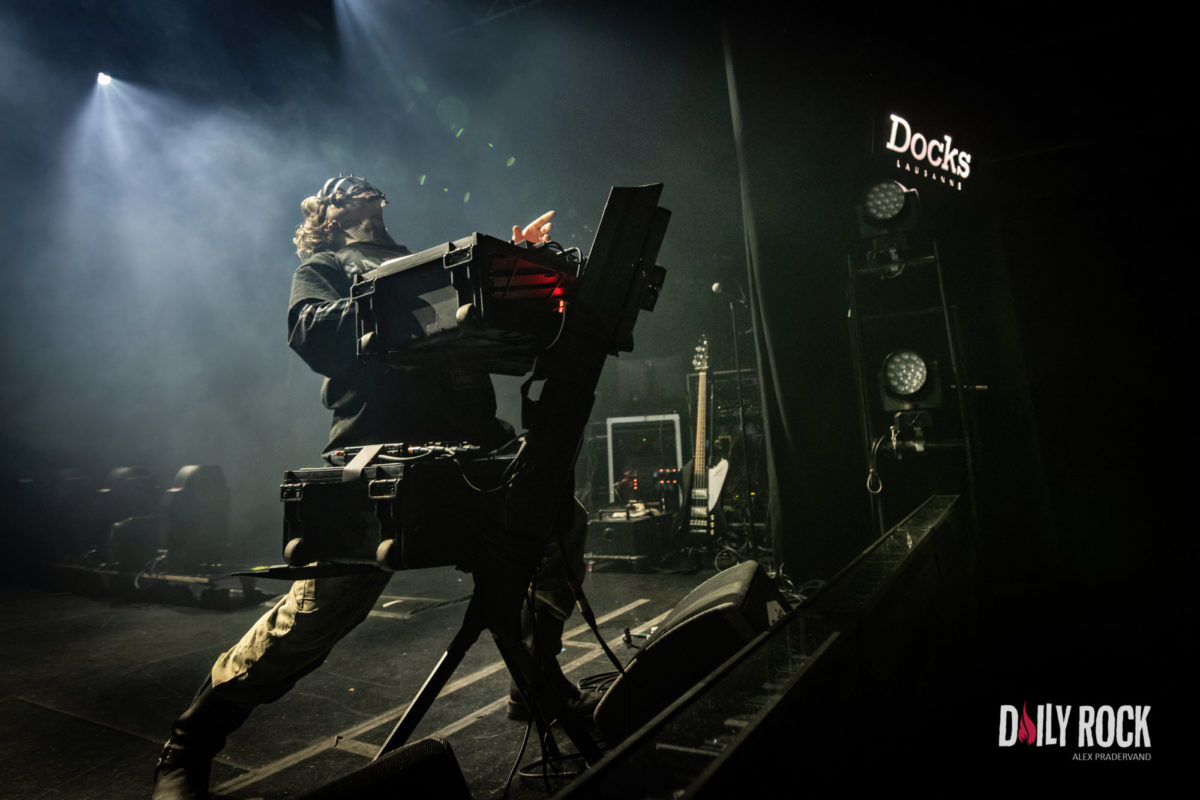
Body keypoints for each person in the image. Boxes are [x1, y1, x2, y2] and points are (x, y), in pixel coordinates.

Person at [152, 176, 591, 800]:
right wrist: (398, 299)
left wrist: (521, 273)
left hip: (470, 453)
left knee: (559, 527)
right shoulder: (325, 268)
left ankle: (536, 682)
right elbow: (311, 333)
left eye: (372, 189)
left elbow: (512, 331)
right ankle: (189, 743)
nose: (369, 194)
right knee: (314, 617)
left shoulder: (431, 265)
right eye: (351, 191)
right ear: (328, 214)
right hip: (379, 459)